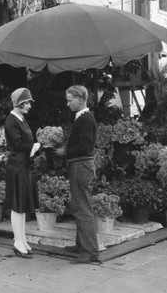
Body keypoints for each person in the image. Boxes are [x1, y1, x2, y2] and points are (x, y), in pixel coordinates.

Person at [59, 85, 99, 264]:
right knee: (80, 205)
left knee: (82, 207)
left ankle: (90, 251)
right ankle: (81, 245)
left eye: (70, 100)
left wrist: (64, 151)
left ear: (81, 99)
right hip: (80, 165)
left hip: (81, 165)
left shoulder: (86, 119)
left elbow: (84, 146)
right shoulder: (82, 118)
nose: (68, 104)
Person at [4, 87, 41, 259]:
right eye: (27, 103)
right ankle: (17, 242)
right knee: (18, 206)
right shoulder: (11, 120)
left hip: (24, 165)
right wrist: (36, 146)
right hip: (17, 167)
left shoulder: (20, 119)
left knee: (22, 205)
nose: (30, 106)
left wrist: (36, 146)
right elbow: (18, 144)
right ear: (19, 103)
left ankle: (22, 239)